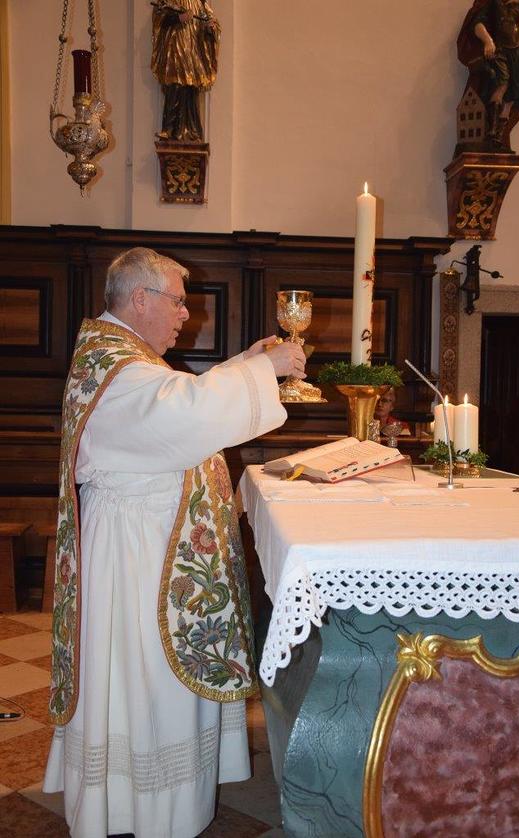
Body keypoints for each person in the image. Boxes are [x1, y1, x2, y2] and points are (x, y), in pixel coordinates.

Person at [42, 247, 306, 838]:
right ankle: (147, 812)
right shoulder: (114, 365)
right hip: (137, 558)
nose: (186, 314)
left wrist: (246, 362)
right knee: (144, 683)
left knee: (146, 684)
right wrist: (265, 371)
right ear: (140, 299)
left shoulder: (120, 358)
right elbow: (178, 415)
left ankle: (150, 806)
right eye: (178, 301)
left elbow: (178, 401)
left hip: (144, 545)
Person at [457, 0, 519, 149]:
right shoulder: (492, 2)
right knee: (501, 84)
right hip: (501, 50)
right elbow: (477, 24)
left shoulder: (517, 3)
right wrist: (487, 40)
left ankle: (500, 134)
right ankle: (492, 129)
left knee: (513, 95)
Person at [151, 0, 220, 143]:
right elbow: (159, 18)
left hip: (193, 52)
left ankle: (193, 131)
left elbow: (210, 23)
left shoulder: (200, 3)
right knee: (175, 85)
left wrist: (210, 27)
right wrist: (178, 18)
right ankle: (169, 129)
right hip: (175, 50)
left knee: (191, 89)